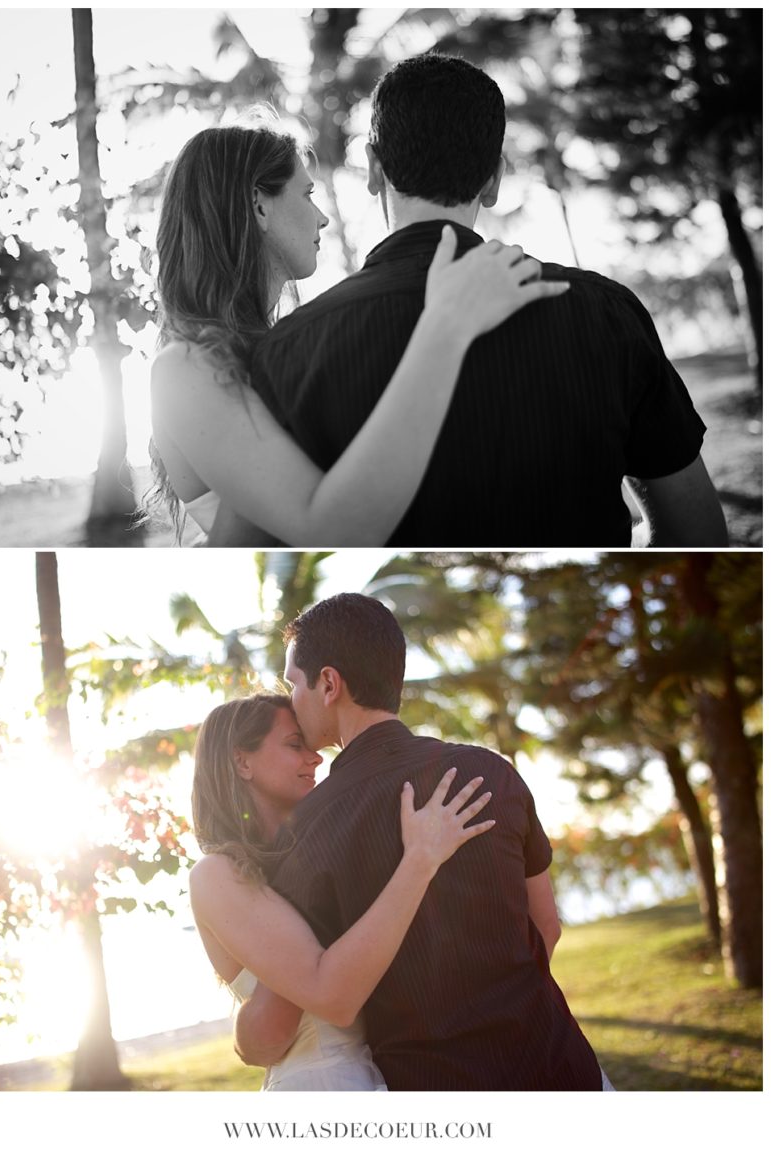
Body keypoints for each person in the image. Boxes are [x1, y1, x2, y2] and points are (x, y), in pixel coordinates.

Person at [252, 52, 729, 549]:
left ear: (373, 169)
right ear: (494, 180)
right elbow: (700, 534)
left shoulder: (288, 350)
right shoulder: (606, 311)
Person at [235, 592, 611, 1091]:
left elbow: (291, 1008)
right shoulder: (492, 772)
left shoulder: (308, 827)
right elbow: (546, 925)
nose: (292, 702)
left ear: (329, 684)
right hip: (562, 1068)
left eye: (293, 684)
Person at [147, 119, 568, 546]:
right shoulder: (184, 368)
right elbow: (328, 529)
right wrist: (447, 325)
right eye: (308, 194)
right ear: (259, 205)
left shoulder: (280, 346)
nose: (323, 217)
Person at [188, 692, 496, 1091]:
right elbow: (293, 1016)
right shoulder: (216, 874)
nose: (315, 758)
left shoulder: (308, 856)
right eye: (294, 745)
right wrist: (419, 860)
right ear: (242, 761)